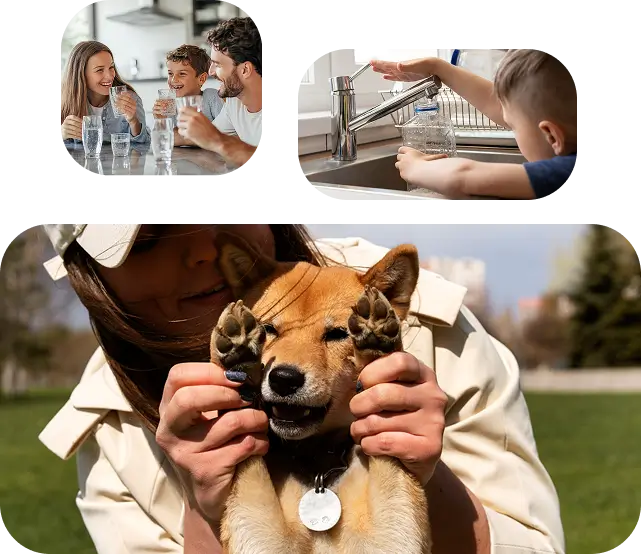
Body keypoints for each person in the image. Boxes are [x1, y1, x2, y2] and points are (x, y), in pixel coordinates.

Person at [38, 224, 565, 554]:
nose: (206, 247)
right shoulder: (109, 427)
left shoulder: (432, 328)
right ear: (86, 274)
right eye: (152, 239)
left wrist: (418, 470)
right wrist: (207, 508)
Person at [371, 49, 579, 200]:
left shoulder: (567, 172)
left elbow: (462, 178)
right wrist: (438, 68)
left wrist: (415, 167)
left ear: (551, 136)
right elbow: (502, 105)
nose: (507, 123)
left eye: (511, 125)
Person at [177, 17, 263, 167]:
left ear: (245, 70)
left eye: (217, 65)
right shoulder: (234, 103)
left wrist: (216, 140)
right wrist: (162, 134)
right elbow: (201, 135)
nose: (210, 72)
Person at [60, 41, 150, 145]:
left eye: (111, 67)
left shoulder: (130, 99)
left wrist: (133, 121)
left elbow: (144, 145)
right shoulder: (64, 101)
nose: (109, 76)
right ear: (81, 74)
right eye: (99, 70)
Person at [153, 45, 224, 148]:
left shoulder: (211, 97)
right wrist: (160, 120)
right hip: (180, 160)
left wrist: (179, 137)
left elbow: (224, 133)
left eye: (182, 74)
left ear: (201, 79)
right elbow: (161, 139)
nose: (173, 80)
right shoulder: (169, 104)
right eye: (170, 73)